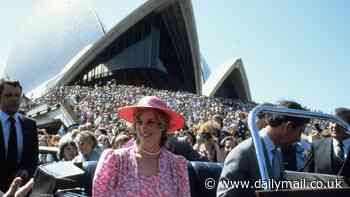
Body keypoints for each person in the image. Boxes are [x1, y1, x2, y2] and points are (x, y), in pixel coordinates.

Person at [93, 96, 190, 196]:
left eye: (150, 122)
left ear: (162, 126)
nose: (143, 128)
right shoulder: (115, 160)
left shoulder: (176, 165)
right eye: (139, 122)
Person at [217, 100, 309, 197]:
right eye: (300, 132)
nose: (299, 139)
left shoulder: (277, 153)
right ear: (288, 127)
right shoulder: (243, 153)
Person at [0, 79, 38, 192]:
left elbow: (33, 158)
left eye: (17, 95)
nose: (14, 99)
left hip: (22, 190)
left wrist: (26, 170)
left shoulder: (30, 124)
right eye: (8, 95)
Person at [304, 107, 350, 175]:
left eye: (340, 122)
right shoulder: (317, 146)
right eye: (332, 121)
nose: (334, 125)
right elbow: (306, 175)